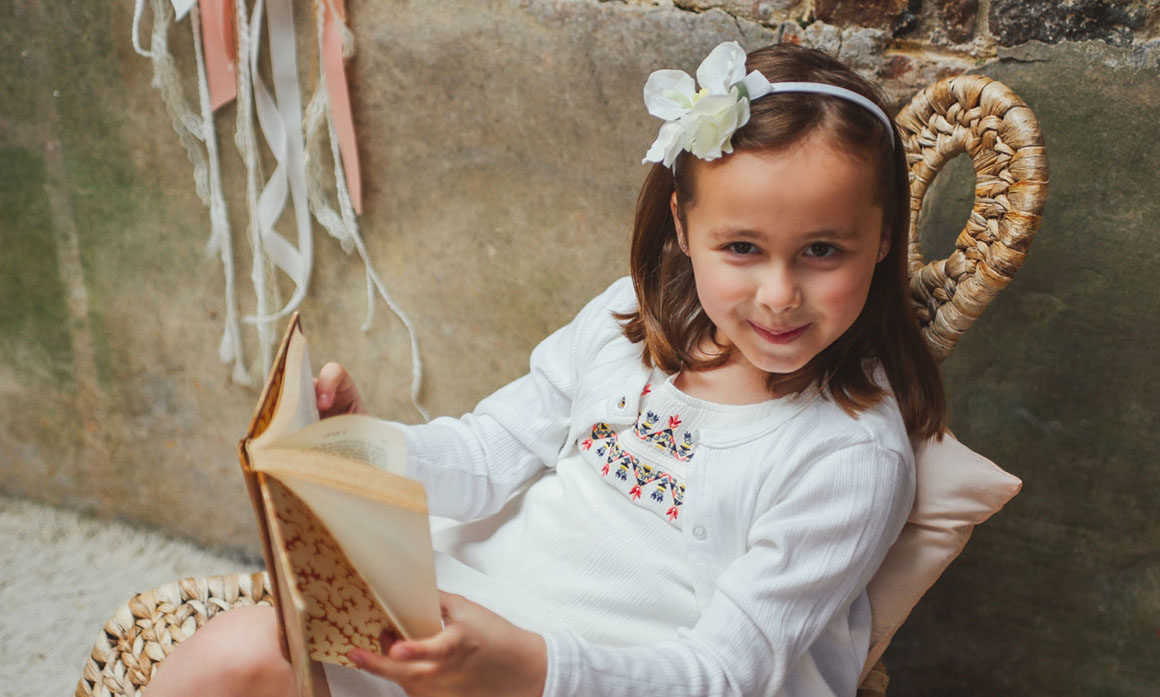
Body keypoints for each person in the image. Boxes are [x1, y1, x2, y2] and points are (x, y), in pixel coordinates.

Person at [145, 40, 945, 697]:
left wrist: (531, 665)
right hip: (464, 633)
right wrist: (361, 450)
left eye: (822, 251)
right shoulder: (625, 326)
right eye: (741, 248)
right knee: (238, 650)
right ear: (682, 225)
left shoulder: (846, 458)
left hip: (596, 675)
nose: (778, 295)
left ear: (881, 240)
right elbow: (487, 452)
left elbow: (726, 673)